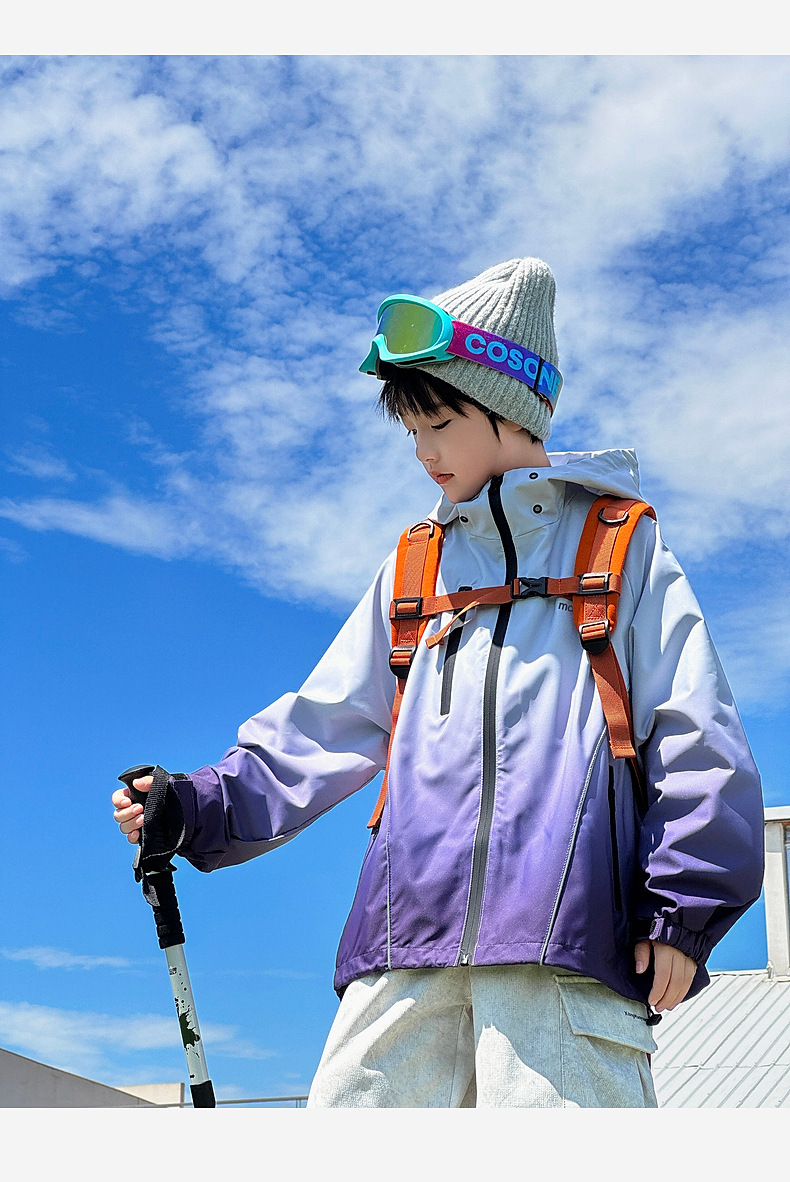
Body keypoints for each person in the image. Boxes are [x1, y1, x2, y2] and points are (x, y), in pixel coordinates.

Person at [112, 257, 764, 1108]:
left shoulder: (619, 544)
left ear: (511, 407)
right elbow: (326, 725)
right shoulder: (417, 564)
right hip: (403, 945)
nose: (424, 451)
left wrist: (682, 908)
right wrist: (200, 805)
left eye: (441, 423)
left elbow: (695, 730)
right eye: (412, 429)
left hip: (564, 950)